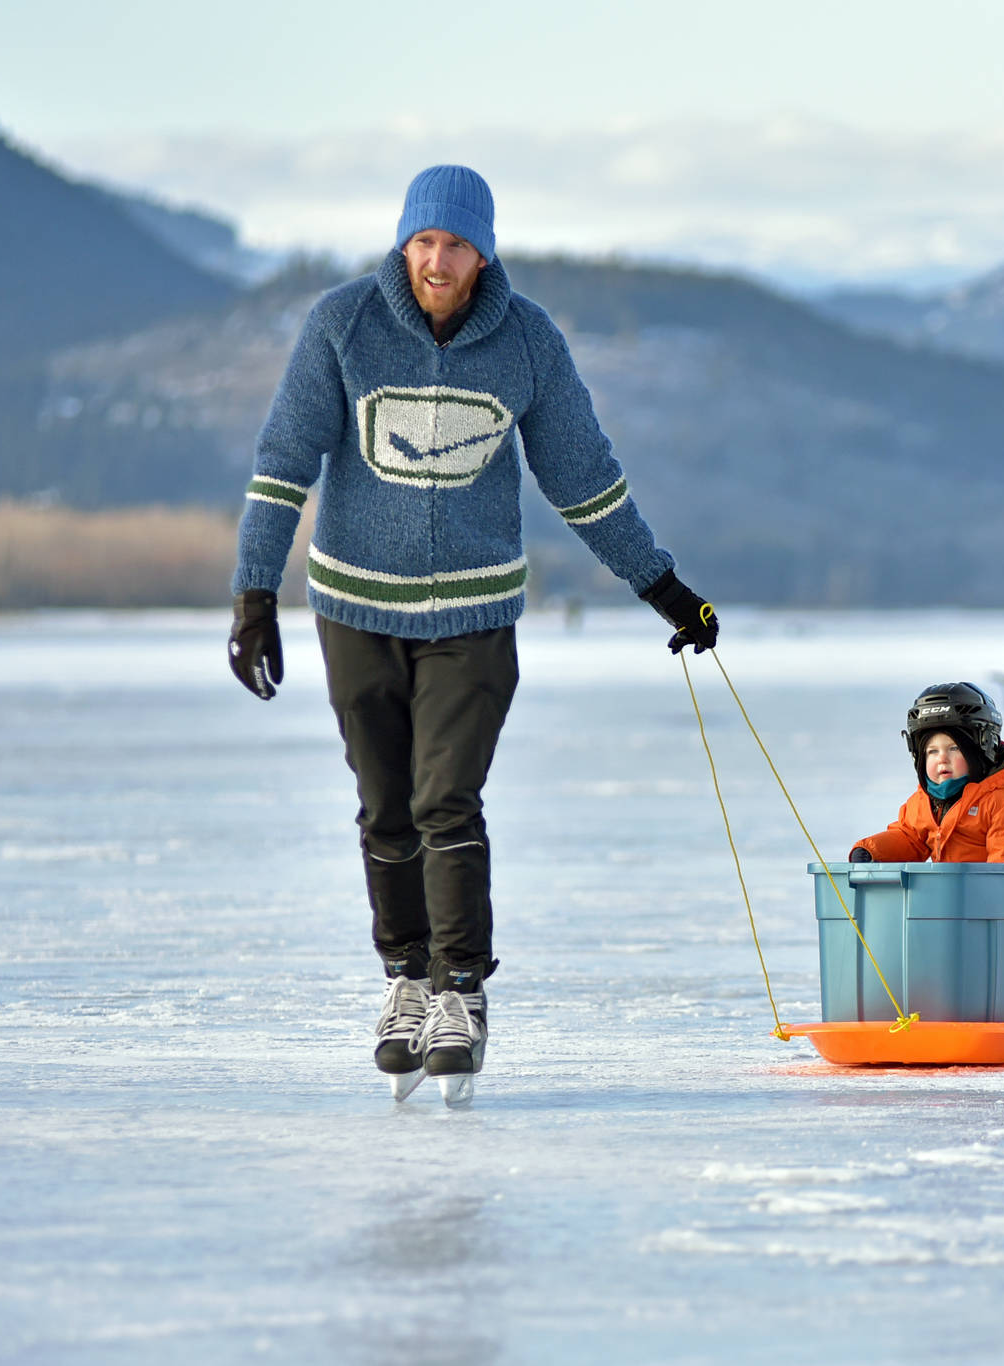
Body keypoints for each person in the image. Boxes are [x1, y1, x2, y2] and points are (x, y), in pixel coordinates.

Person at [225, 165, 718, 1103]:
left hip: (474, 615)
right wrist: (254, 596)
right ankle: (406, 983)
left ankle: (462, 993)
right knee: (384, 806)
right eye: (423, 244)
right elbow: (284, 459)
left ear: (483, 250)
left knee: (445, 800)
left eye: (454, 245)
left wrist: (665, 588)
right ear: (402, 243)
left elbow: (584, 479)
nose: (437, 262)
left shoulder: (526, 341)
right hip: (355, 610)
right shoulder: (343, 325)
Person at [846, 684, 1004, 1021]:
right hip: (958, 899)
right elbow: (909, 838)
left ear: (979, 749)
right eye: (931, 751)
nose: (941, 758)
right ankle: (966, 1016)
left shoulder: (999, 802)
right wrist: (871, 852)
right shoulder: (923, 803)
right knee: (959, 959)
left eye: (953, 748)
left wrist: (983, 892)